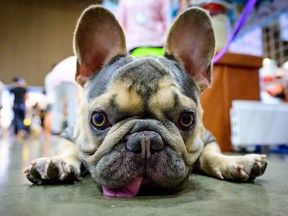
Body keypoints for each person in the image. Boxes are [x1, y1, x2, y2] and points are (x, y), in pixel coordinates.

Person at [48, 56, 80, 135]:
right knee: (72, 106)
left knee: (57, 107)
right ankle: (72, 130)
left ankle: (55, 131)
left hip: (56, 82)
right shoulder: (77, 60)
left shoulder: (65, 62)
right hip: (70, 81)